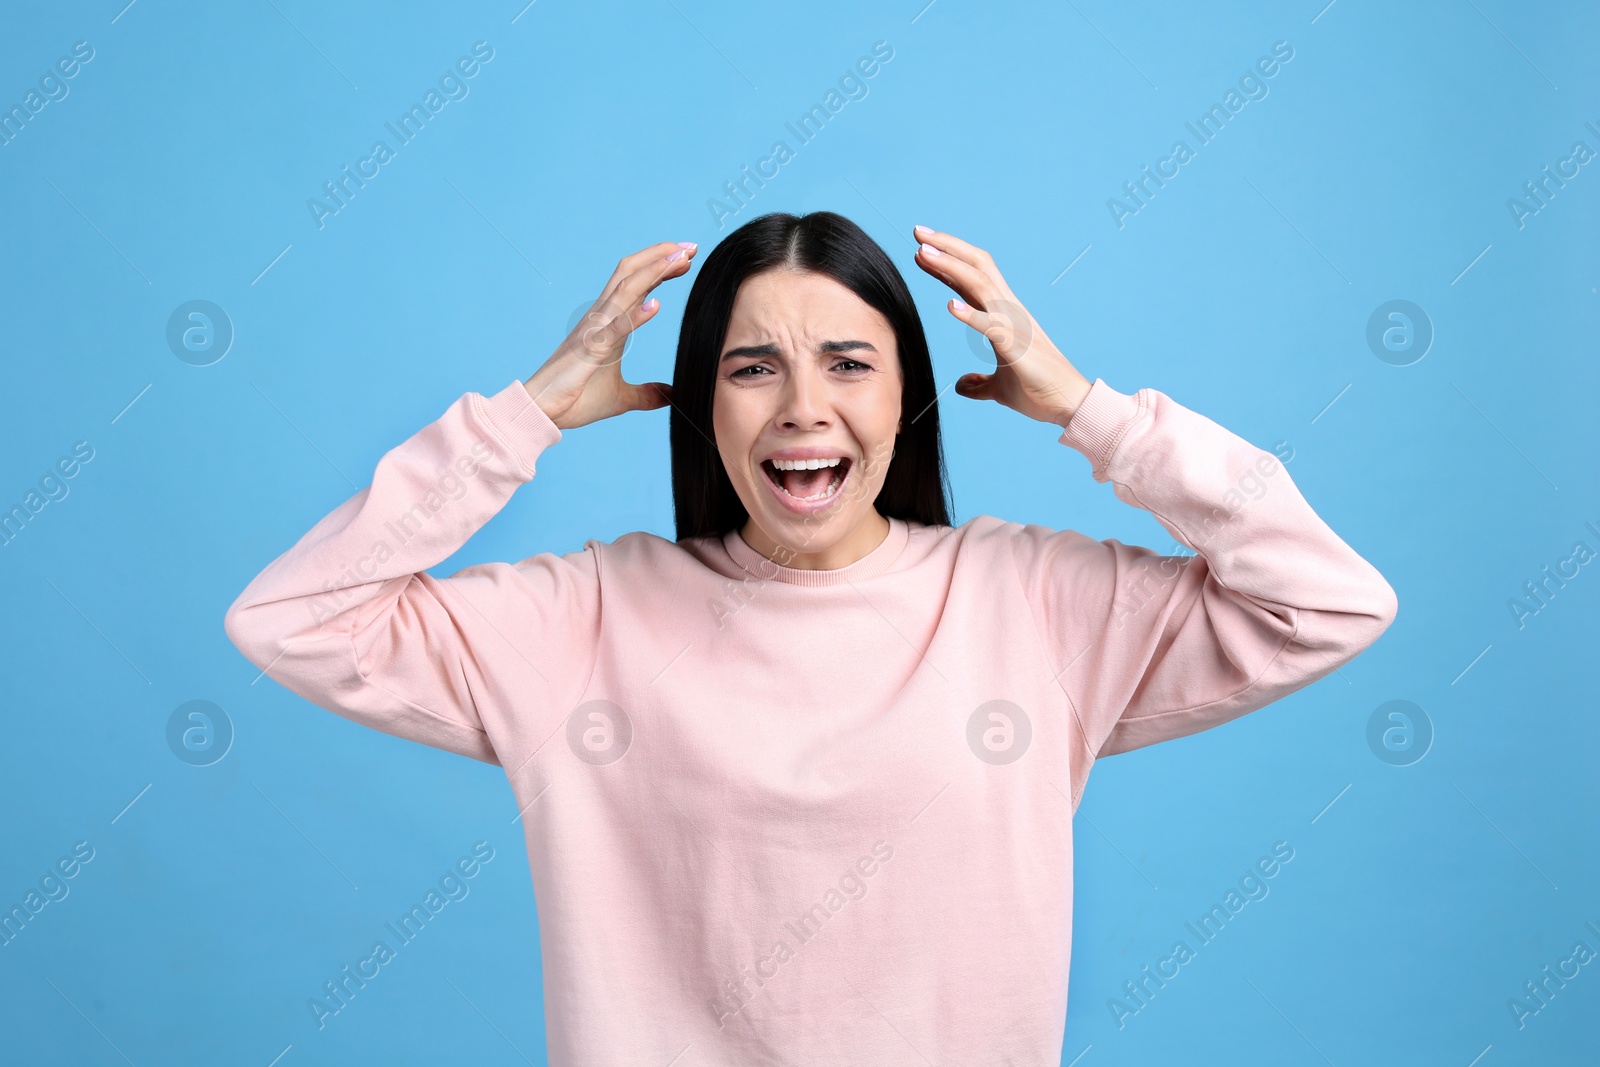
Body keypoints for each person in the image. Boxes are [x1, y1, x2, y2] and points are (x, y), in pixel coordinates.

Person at [224, 211, 1397, 1064]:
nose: (801, 405)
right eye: (752, 368)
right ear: (699, 402)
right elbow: (292, 617)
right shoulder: (585, 616)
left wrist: (1091, 410)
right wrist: (522, 417)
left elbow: (1328, 600)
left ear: (904, 397)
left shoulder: (1026, 599)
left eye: (848, 362)